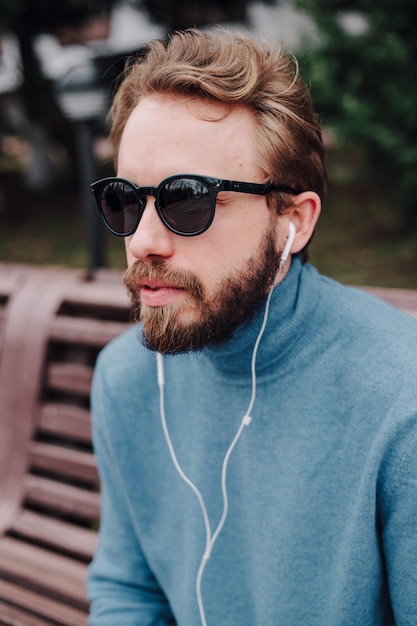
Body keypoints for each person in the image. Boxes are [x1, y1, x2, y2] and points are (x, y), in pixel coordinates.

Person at [87, 28, 417, 626]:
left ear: (292, 219)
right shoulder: (126, 376)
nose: (143, 242)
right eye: (125, 201)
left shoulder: (400, 400)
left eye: (188, 200)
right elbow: (128, 591)